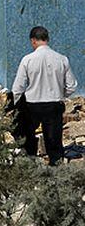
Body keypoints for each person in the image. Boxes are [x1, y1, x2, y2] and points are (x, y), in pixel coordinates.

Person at [12, 26, 77, 165]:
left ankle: (30, 167)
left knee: (29, 139)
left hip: (32, 106)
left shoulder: (27, 60)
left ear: (33, 41)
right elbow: (72, 85)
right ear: (47, 39)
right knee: (54, 142)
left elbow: (18, 87)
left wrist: (16, 104)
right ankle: (56, 173)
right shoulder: (62, 59)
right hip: (54, 105)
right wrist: (61, 94)